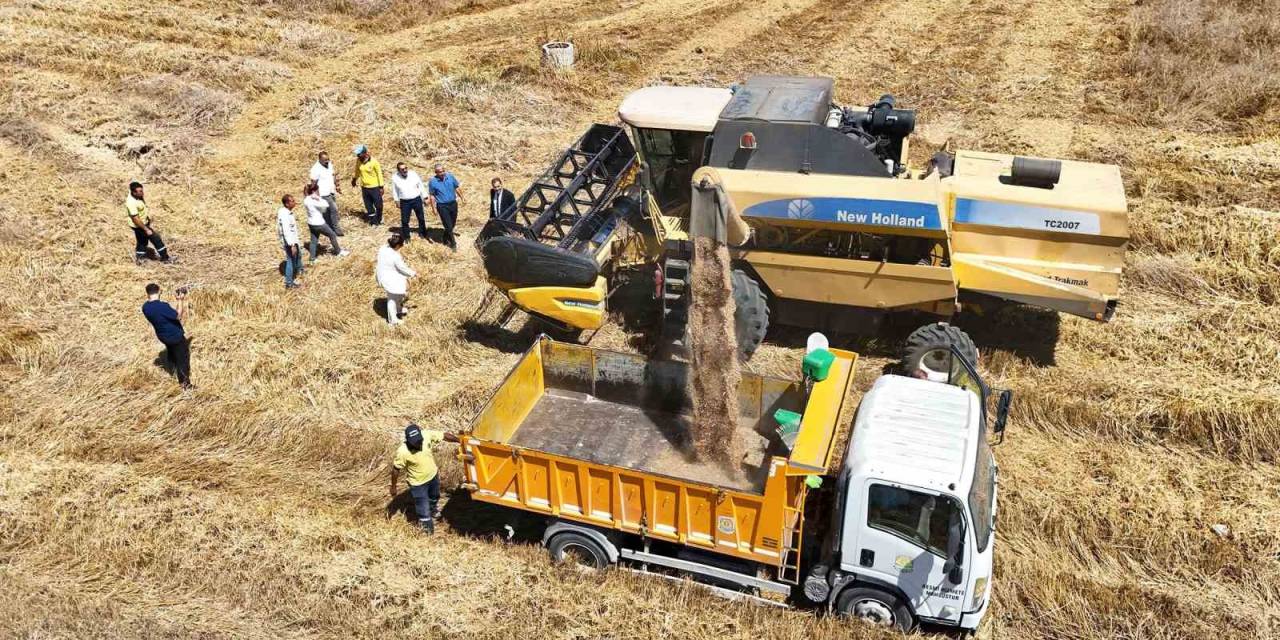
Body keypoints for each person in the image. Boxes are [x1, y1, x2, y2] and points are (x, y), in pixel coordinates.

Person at [390, 424, 459, 534]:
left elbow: (444, 436)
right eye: (415, 443)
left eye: (420, 441)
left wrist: (460, 440)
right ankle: (427, 531)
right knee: (423, 508)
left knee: (434, 496)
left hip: (433, 476)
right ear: (408, 441)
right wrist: (393, 486)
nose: (419, 445)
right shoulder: (402, 452)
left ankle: (432, 509)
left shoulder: (426, 435)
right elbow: (395, 469)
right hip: (418, 484)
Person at [141, 282, 191, 388]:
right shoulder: (162, 306)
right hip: (175, 336)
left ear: (147, 294)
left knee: (171, 350)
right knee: (183, 359)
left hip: (162, 336)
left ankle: (171, 367)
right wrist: (180, 300)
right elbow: (178, 316)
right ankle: (185, 384)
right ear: (159, 291)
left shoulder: (145, 307)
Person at [126, 181, 172, 264]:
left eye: (142, 190)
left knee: (142, 241)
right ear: (133, 192)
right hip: (139, 225)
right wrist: (146, 229)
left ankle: (140, 259)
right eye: (139, 191)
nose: (142, 193)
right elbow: (135, 218)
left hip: (143, 223)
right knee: (156, 238)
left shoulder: (136, 196)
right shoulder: (131, 203)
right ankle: (165, 258)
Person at [302, 183, 349, 263]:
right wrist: (318, 198)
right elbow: (326, 205)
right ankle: (338, 251)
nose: (319, 191)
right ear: (314, 191)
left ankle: (312, 259)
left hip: (311, 223)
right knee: (332, 235)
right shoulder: (314, 201)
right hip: (319, 223)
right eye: (317, 190)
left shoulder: (306, 199)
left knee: (314, 240)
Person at [375, 234, 416, 325]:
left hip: (383, 274)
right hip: (389, 279)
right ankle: (393, 320)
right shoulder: (395, 256)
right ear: (397, 246)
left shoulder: (383, 248)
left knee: (398, 295)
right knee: (392, 299)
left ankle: (398, 309)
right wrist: (414, 274)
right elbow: (402, 268)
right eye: (401, 246)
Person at [308, 150, 344, 236]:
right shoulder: (315, 169)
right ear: (319, 160)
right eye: (325, 160)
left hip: (331, 191)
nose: (327, 161)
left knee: (328, 212)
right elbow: (313, 183)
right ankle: (336, 230)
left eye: (328, 159)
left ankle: (329, 229)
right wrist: (313, 194)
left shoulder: (329, 164)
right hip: (323, 194)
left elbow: (333, 175)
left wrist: (337, 185)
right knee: (334, 210)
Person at [427, 163, 462, 249]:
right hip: (442, 206)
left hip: (453, 204)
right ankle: (453, 243)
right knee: (448, 225)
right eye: (439, 172)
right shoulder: (433, 182)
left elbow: (456, 187)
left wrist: (462, 197)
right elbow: (432, 196)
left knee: (452, 224)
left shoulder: (450, 177)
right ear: (436, 172)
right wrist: (434, 208)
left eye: (443, 171)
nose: (442, 173)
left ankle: (445, 236)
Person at [390, 162, 428, 242]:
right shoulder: (395, 177)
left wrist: (425, 197)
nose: (405, 170)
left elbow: (420, 185)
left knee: (421, 217)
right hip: (405, 201)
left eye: (406, 168)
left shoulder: (413, 174)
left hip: (416, 199)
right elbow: (394, 190)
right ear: (398, 170)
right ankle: (407, 236)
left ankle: (423, 233)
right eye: (402, 169)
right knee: (405, 220)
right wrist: (396, 200)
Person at [351, 144, 385, 225]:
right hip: (364, 187)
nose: (358, 156)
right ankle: (373, 221)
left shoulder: (374, 162)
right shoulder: (359, 161)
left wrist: (381, 187)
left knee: (379, 205)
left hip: (374, 187)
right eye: (357, 154)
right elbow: (357, 171)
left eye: (359, 154)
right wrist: (354, 179)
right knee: (368, 206)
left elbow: (379, 174)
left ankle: (379, 218)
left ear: (365, 153)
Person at [277, 195, 304, 289]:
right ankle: (289, 283)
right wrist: (292, 245)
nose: (294, 202)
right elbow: (286, 231)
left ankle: (300, 270)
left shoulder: (286, 212)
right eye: (292, 201)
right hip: (289, 242)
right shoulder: (285, 215)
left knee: (298, 255)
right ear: (287, 204)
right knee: (290, 261)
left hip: (292, 240)